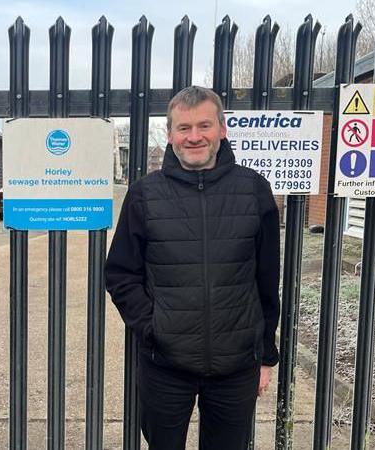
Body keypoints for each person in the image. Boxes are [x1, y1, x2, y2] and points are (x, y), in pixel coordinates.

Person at [104, 86, 280, 449]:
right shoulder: (144, 194)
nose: (195, 136)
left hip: (235, 368)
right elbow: (120, 274)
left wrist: (265, 355)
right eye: (184, 128)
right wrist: (154, 329)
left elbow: (266, 279)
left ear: (222, 129)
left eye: (204, 125)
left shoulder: (254, 190)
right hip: (165, 366)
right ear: (169, 135)